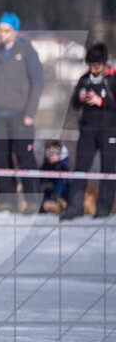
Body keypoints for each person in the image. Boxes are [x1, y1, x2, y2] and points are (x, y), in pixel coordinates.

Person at [0, 12, 43, 212]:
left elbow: (37, 82)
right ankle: (7, 202)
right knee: (2, 159)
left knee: (24, 156)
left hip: (21, 114)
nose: (1, 33)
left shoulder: (27, 51)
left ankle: (33, 200)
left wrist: (30, 112)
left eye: (6, 29)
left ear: (14, 30)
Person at [63, 42, 115, 219]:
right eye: (90, 66)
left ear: (104, 62)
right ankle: (74, 207)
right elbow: (74, 104)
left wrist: (102, 102)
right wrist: (80, 99)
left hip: (109, 131)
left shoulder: (113, 79)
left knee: (108, 170)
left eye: (96, 66)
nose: (93, 69)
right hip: (87, 130)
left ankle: (103, 209)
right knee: (80, 169)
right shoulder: (84, 79)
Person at [39, 140, 72, 216]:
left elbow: (66, 182)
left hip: (62, 197)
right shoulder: (46, 165)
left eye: (54, 152)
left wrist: (56, 193)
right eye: (48, 152)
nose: (51, 155)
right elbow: (39, 180)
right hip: (48, 196)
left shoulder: (64, 167)